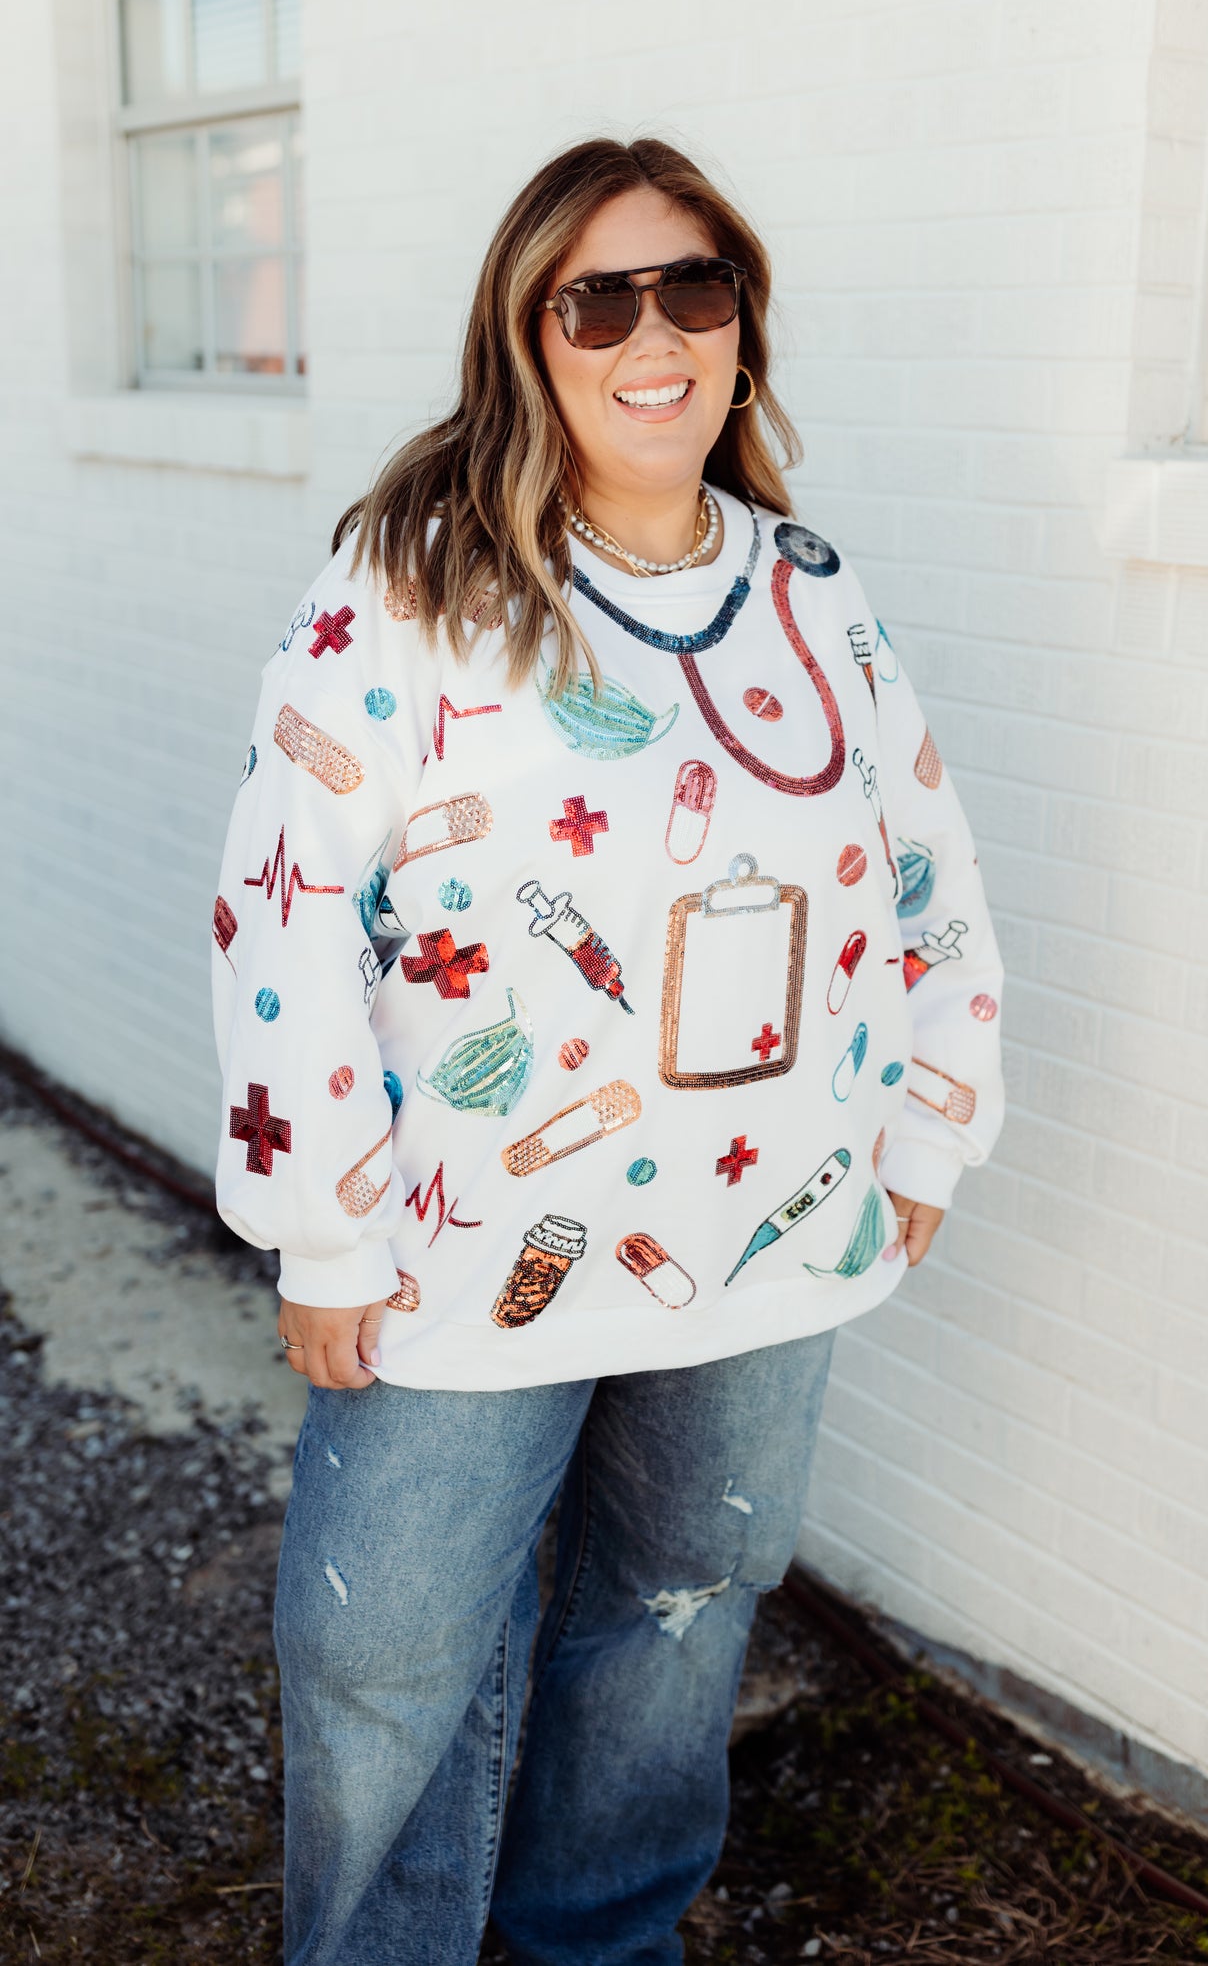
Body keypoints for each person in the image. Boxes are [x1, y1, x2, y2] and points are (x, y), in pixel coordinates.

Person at [210, 135, 1005, 1966]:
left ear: (741, 324)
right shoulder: (411, 582)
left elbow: (922, 861)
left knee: (677, 1604)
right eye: (598, 298)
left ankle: (599, 1943)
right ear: (529, 336)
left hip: (764, 1238)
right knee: (384, 1647)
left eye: (694, 286)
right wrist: (320, 1226)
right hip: (465, 1239)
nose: (654, 336)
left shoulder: (809, 583)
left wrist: (924, 1133)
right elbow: (287, 899)